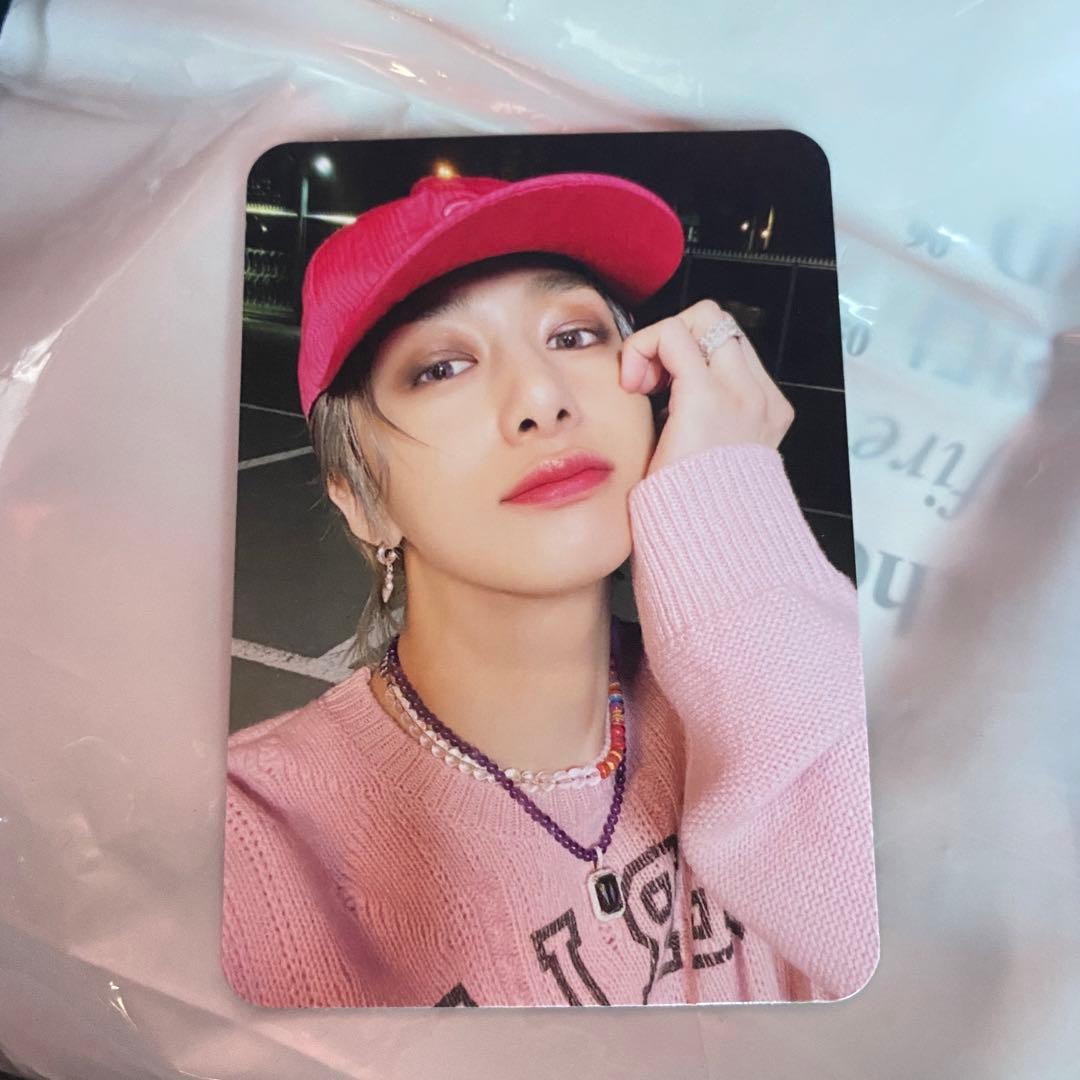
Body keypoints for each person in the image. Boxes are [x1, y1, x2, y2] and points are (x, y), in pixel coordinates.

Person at [221, 170, 879, 1008]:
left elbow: (956, 964)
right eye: (443, 367)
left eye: (573, 337)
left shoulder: (771, 700)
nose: (542, 398)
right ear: (360, 498)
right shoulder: (247, 845)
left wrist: (738, 533)